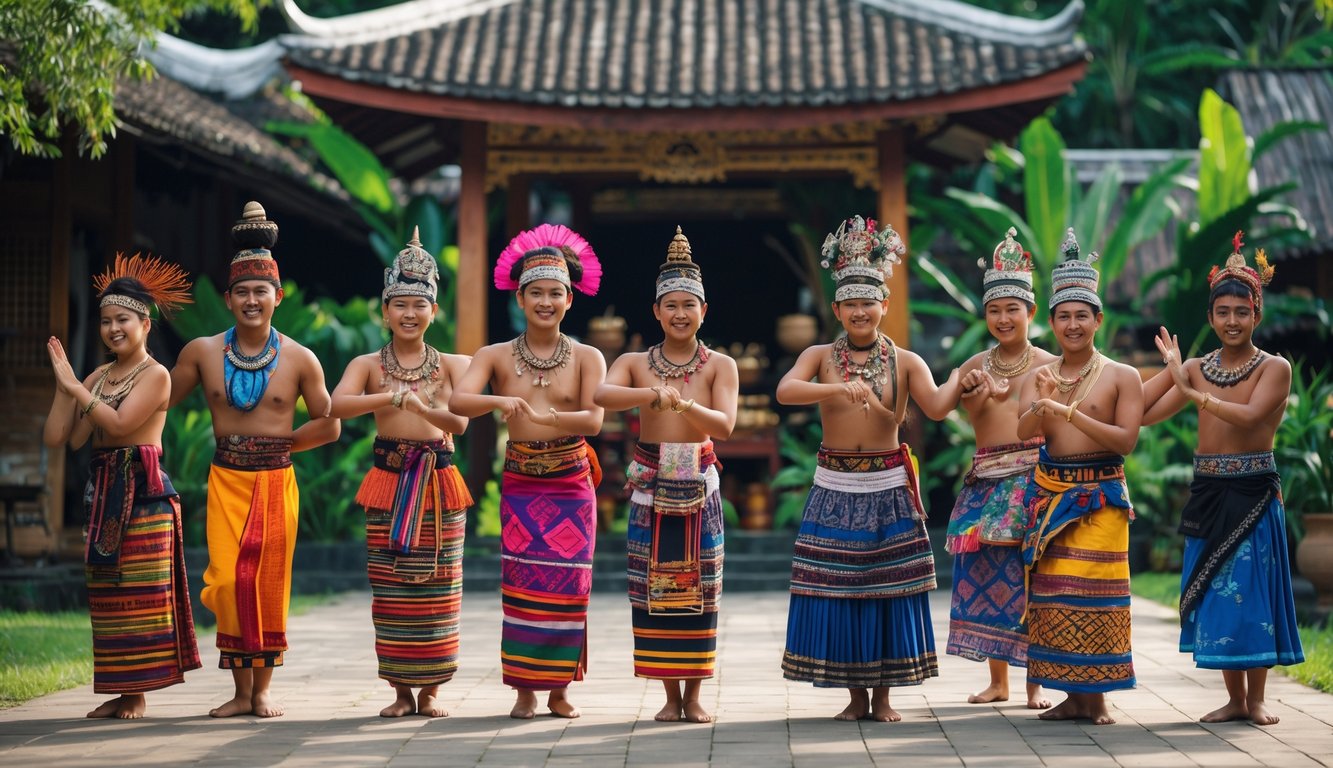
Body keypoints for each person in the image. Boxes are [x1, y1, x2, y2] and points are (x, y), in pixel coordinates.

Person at [776, 215, 961, 722]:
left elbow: (939, 407)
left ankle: (882, 698)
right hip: (834, 483)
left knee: (888, 589)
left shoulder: (906, 361)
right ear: (836, 309)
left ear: (885, 305)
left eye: (869, 302)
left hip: (887, 486)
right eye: (850, 303)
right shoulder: (819, 356)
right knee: (838, 588)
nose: (860, 311)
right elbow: (785, 392)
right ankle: (854, 697)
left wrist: (968, 378)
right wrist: (835, 388)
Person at [169, 201, 340, 718]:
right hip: (225, 479)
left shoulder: (300, 358)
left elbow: (329, 424)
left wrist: (286, 444)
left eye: (260, 291)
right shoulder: (200, 352)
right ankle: (238, 692)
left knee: (265, 586)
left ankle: (260, 691)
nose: (250, 299)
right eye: (241, 291)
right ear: (227, 299)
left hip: (274, 482)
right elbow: (159, 399)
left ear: (277, 297)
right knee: (224, 581)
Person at [1143, 232, 1304, 725]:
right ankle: (1234, 698)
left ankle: (1256, 700)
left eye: (1241, 312)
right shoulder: (1195, 367)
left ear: (1256, 314)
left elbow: (1251, 416)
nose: (1232, 321)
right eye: (1222, 312)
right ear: (1211, 318)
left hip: (1253, 491)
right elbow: (1143, 412)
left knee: (1251, 594)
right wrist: (1164, 372)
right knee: (1216, 595)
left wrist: (1191, 390)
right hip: (1209, 489)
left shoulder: (1275, 368)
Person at [449, 223, 606, 720]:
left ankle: (560, 689)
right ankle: (524, 689)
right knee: (521, 585)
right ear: (519, 298)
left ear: (569, 300)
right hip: (520, 483)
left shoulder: (588, 356)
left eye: (555, 293)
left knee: (570, 584)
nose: (545, 301)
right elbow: (459, 400)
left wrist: (549, 417)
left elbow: (595, 419)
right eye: (535, 292)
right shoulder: (494, 355)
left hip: (571, 483)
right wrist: (502, 400)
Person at [43, 254, 201, 719]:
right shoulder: (97, 377)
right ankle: (118, 688)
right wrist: (62, 386)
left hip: (145, 494)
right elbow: (63, 439)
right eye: (106, 321)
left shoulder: (157, 375)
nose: (114, 328)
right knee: (108, 595)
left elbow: (119, 420)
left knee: (141, 594)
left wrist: (77, 390)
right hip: (104, 494)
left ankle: (137, 692)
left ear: (145, 323)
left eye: (123, 320)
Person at [593, 227, 739, 723]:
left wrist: (685, 402)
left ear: (704, 310)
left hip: (698, 480)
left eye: (689, 305)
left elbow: (725, 425)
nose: (680, 313)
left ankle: (694, 695)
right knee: (652, 589)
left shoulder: (720, 365)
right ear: (655, 311)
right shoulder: (635, 363)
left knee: (702, 588)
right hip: (651, 482)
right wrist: (649, 394)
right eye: (670, 304)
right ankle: (668, 695)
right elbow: (602, 396)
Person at [329, 230, 474, 718]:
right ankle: (399, 691)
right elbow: (337, 404)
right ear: (384, 310)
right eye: (400, 304)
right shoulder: (368, 365)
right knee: (391, 588)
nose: (409, 314)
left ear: (435, 311)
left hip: (438, 481)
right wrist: (392, 397)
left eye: (419, 304)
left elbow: (459, 423)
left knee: (439, 585)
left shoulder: (455, 365)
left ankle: (432, 690)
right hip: (389, 481)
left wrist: (425, 408)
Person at [1016, 228, 1142, 725]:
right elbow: (1025, 430)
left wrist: (1067, 412)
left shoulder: (1121, 375)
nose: (1072, 325)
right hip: (1051, 495)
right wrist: (1043, 400)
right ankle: (1072, 695)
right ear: (1051, 322)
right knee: (1055, 594)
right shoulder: (1039, 374)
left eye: (1081, 316)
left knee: (1099, 593)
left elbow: (1124, 440)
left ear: (1098, 320)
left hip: (1102, 496)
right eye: (1064, 317)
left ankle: (1100, 697)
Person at [945, 228, 1055, 709]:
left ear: (1031, 313)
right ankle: (998, 681)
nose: (1003, 318)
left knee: (1035, 576)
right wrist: (966, 392)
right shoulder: (974, 364)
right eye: (994, 310)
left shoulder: (1053, 365)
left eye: (1013, 309)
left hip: (1037, 480)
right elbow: (936, 407)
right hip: (986, 480)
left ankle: (1035, 684)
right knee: (990, 577)